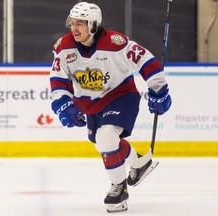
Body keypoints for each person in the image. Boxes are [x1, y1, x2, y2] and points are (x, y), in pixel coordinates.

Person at [50, 2, 172, 213]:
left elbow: (148, 62)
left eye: (81, 23)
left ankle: (119, 188)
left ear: (94, 25)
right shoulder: (64, 47)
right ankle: (138, 163)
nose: (74, 28)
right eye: (72, 22)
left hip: (120, 96)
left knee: (106, 138)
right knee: (103, 143)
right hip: (91, 102)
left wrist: (159, 91)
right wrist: (62, 102)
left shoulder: (115, 43)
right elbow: (58, 79)